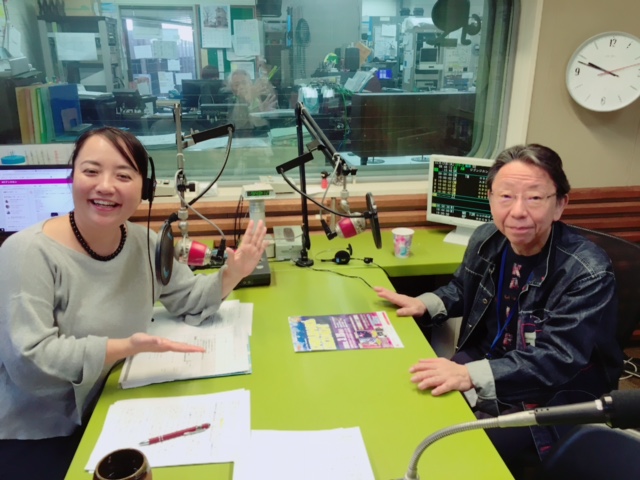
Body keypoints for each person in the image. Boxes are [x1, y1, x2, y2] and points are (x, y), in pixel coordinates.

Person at [0, 127, 267, 479]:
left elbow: (189, 298)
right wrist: (122, 348)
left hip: (114, 405)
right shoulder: (26, 252)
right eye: (91, 171)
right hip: (42, 431)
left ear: (145, 188)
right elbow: (28, 360)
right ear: (72, 177)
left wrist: (233, 273)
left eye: (123, 175)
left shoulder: (146, 243)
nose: (105, 186)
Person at [374, 144, 623, 473]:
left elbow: (556, 359)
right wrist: (424, 303)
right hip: (487, 360)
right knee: (409, 404)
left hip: (550, 393)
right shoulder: (486, 237)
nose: (518, 211)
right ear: (490, 199)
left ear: (560, 204)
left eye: (534, 198)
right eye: (506, 196)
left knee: (454, 454)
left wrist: (468, 375)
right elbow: (462, 288)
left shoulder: (588, 271)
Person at [223, 68, 277, 133]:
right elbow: (238, 125)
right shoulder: (230, 102)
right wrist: (246, 100)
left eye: (244, 83)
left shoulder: (261, 97)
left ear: (250, 83)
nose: (241, 87)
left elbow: (263, 126)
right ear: (232, 89)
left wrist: (263, 114)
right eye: (236, 85)